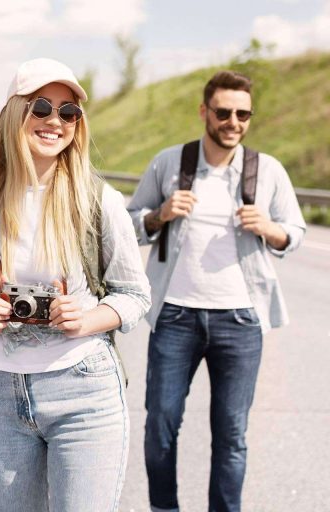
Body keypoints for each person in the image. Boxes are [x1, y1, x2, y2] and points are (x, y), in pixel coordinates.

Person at [0, 58, 150, 511]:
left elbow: (135, 295)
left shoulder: (100, 199)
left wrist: (86, 318)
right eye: (42, 107)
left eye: (69, 112)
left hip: (83, 389)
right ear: (13, 112)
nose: (56, 121)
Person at [127, 70, 306, 512]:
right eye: (224, 112)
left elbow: (294, 231)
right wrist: (159, 214)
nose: (233, 122)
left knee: (232, 435)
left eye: (243, 114)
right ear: (204, 111)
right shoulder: (169, 162)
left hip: (241, 321)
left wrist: (270, 229)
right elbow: (130, 222)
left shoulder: (267, 170)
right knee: (160, 425)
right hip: (175, 316)